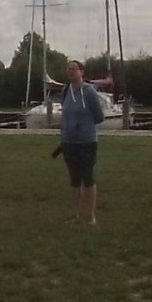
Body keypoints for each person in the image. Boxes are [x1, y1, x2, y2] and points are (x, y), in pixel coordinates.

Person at [57, 58, 107, 226]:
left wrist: (84, 124)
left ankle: (91, 215)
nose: (70, 72)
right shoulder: (65, 92)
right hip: (69, 142)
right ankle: (75, 214)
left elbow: (99, 117)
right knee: (74, 178)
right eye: (68, 69)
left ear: (82, 72)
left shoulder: (90, 92)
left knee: (88, 177)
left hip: (87, 141)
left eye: (74, 69)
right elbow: (64, 115)